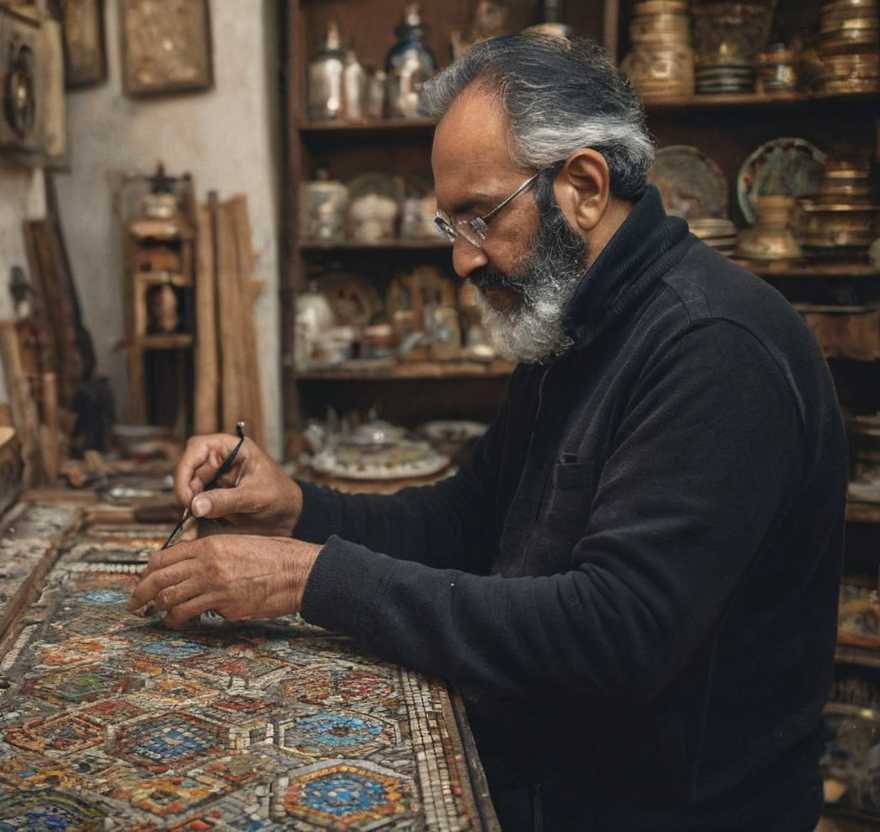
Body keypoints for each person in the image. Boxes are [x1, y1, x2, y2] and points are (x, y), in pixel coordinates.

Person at [128, 34, 846, 832]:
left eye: (480, 216)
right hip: (558, 774)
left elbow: (614, 635)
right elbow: (472, 519)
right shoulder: (575, 319)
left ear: (581, 185)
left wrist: (305, 579)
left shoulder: (714, 346)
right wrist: (292, 509)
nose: (463, 261)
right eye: (452, 224)